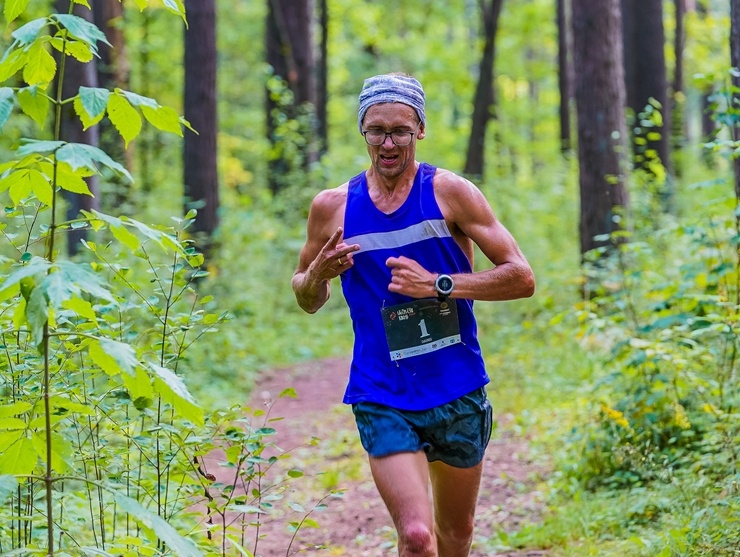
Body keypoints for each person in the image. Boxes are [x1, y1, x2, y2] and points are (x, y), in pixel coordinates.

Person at [291, 72, 535, 557]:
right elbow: (306, 295)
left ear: (419, 130)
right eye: (376, 130)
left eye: (400, 130)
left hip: (457, 387)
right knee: (418, 538)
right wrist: (317, 276)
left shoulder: (451, 193)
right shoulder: (332, 208)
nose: (387, 142)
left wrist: (440, 285)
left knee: (455, 535)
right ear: (362, 130)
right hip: (382, 389)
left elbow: (521, 277)